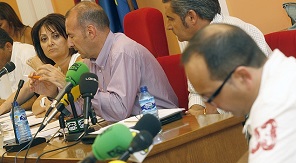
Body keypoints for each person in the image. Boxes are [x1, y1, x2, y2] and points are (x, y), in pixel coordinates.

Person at [182, 23, 296, 163]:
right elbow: (262, 152)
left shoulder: (278, 99)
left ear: (242, 77)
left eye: (211, 95)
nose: (209, 105)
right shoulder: (278, 73)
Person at [30, 1, 178, 122]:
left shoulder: (122, 52)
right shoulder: (90, 60)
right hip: (131, 124)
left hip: (162, 125)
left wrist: (73, 86)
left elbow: (119, 110)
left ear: (91, 32)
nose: (70, 44)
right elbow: (83, 109)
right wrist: (54, 92)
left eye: (72, 36)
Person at [162, 0, 272, 116]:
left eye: (171, 18)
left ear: (191, 17)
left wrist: (208, 112)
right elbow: (195, 92)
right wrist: (196, 108)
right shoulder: (195, 44)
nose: (168, 26)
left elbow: (255, 94)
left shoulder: (235, 34)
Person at [0, 13, 81, 116]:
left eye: (56, 36)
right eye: (44, 39)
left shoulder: (79, 61)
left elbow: (78, 105)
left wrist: (51, 104)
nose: (50, 43)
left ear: (68, 38)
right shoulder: (56, 67)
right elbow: (35, 108)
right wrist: (48, 102)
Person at [0, 28, 36, 108]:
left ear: (8, 46)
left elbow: (35, 96)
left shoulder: (26, 54)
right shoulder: (3, 64)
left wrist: (7, 107)